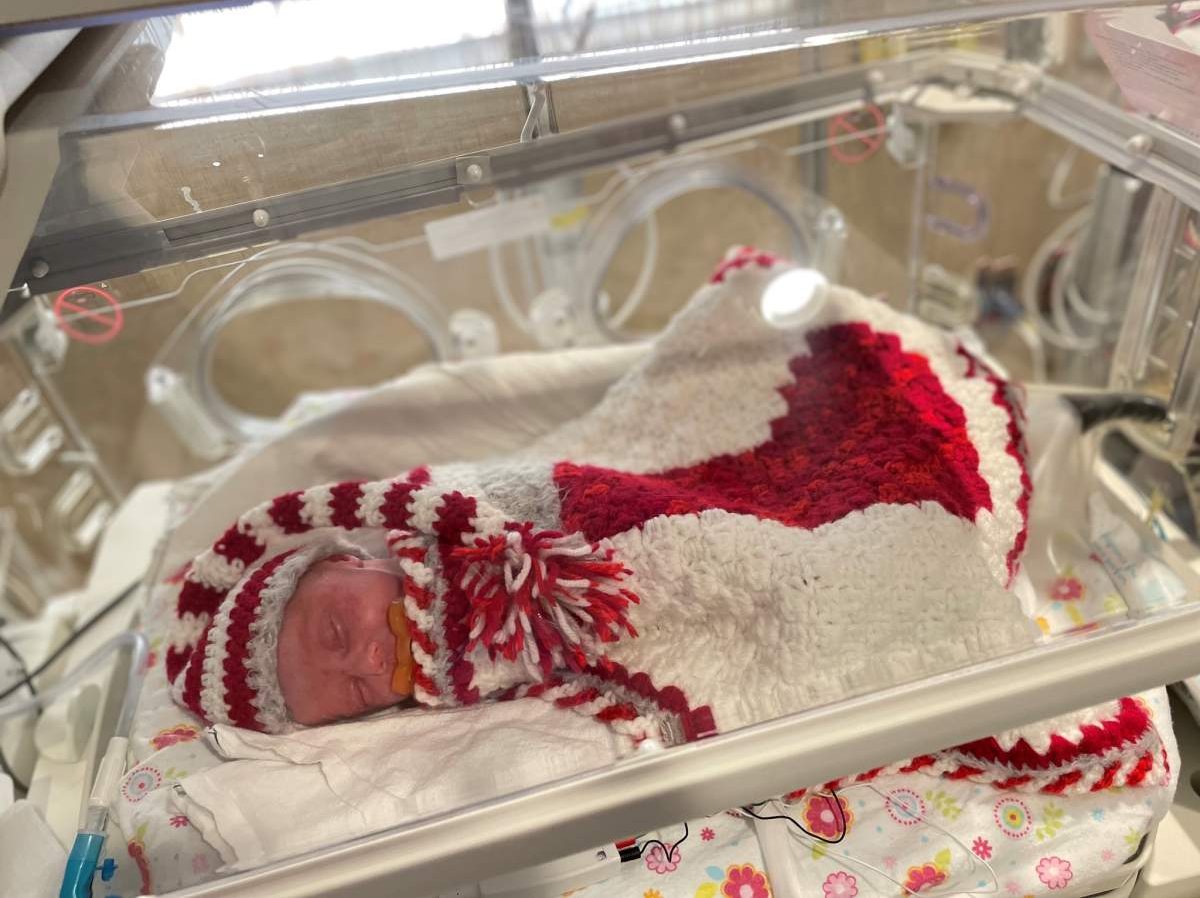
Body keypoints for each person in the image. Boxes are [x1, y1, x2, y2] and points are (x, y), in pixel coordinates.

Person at [165, 248, 1167, 796]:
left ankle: (1006, 437)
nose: (358, 663)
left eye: (331, 629)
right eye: (344, 696)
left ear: (344, 554)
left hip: (660, 476)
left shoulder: (434, 512)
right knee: (851, 561)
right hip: (750, 554)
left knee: (824, 396)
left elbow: (603, 473)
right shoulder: (471, 664)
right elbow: (633, 621)